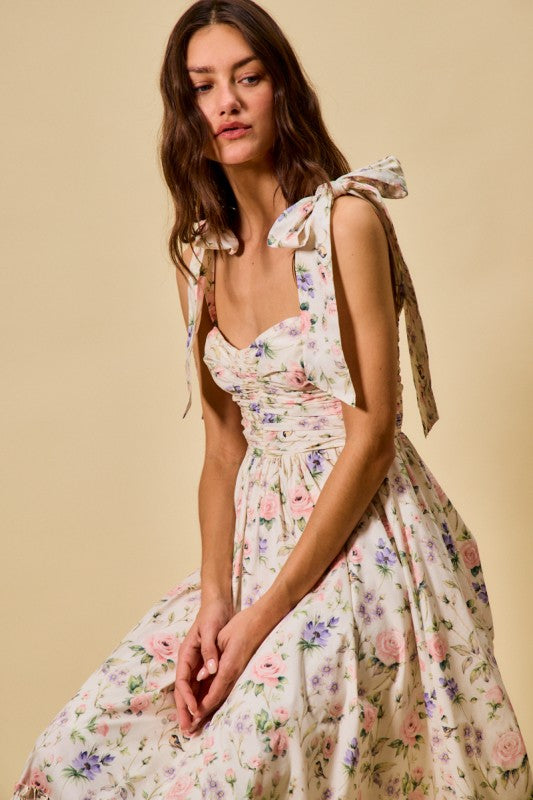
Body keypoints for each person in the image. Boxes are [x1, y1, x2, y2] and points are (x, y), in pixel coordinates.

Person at [12, 1, 532, 799]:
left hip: (364, 544)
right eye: (202, 86)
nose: (225, 102)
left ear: (281, 89)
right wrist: (216, 603)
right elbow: (223, 451)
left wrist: (262, 620)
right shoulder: (199, 258)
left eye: (246, 78)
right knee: (75, 749)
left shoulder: (344, 223)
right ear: (184, 110)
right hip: (253, 555)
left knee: (236, 770)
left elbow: (372, 440)